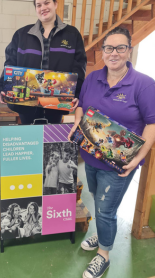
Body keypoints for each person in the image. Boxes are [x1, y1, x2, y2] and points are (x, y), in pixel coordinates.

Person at [68, 26, 155, 278]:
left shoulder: (145, 85)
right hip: (90, 156)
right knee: (97, 200)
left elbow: (152, 123)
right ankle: (102, 235)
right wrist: (77, 120)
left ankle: (104, 255)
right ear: (103, 51)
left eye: (120, 47)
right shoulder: (92, 78)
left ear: (129, 50)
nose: (113, 53)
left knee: (106, 209)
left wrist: (139, 157)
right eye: (109, 48)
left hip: (120, 165)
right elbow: (82, 107)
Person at [0, 0, 87, 124]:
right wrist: (2, 87)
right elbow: (10, 63)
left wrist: (77, 93)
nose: (43, 8)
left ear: (55, 4)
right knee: (29, 139)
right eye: (38, 5)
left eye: (46, 3)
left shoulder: (72, 34)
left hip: (56, 102)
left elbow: (79, 66)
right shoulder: (21, 35)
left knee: (51, 140)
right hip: (26, 103)